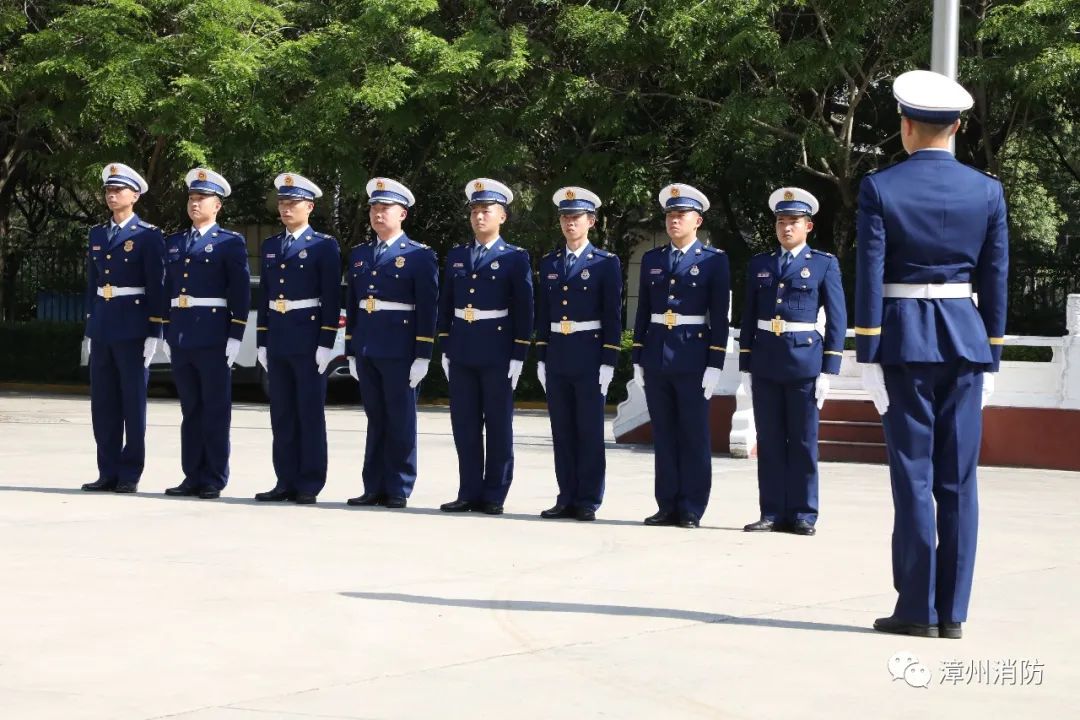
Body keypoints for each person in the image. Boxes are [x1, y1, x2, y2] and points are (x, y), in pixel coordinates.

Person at [857, 70, 1008, 639]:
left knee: (913, 478)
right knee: (959, 483)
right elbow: (996, 277)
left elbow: (869, 274)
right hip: (966, 342)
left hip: (904, 342)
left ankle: (916, 610)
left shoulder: (881, 187)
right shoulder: (987, 190)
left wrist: (867, 353)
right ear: (958, 128)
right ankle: (953, 613)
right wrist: (992, 354)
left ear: (906, 126)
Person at [739, 187, 846, 536]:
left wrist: (829, 370)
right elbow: (749, 316)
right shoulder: (761, 264)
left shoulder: (823, 264)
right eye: (781, 222)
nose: (786, 228)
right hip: (766, 362)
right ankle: (771, 512)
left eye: (794, 222)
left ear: (808, 226)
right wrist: (745, 365)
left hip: (804, 363)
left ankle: (803, 513)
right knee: (769, 441)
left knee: (802, 442)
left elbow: (837, 318)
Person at [631, 183, 729, 528]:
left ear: (697, 221)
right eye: (670, 215)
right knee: (664, 434)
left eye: (681, 215)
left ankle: (691, 506)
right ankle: (667, 503)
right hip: (657, 354)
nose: (674, 220)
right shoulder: (653, 259)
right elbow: (644, 311)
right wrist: (637, 356)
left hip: (693, 356)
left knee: (693, 435)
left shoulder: (714, 260)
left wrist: (715, 362)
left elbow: (720, 316)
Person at [437, 178, 533, 515]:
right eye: (475, 211)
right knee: (464, 425)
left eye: (486, 211)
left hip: (497, 350)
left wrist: (519, 353)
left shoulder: (515, 258)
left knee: (498, 425)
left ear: (502, 216)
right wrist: (445, 345)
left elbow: (524, 308)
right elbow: (446, 303)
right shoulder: (458, 255)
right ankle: (468, 491)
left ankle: (494, 493)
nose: (479, 216)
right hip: (462, 348)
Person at [344, 178, 438, 509]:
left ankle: (399, 486)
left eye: (385, 208)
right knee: (376, 419)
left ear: (403, 214)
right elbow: (353, 304)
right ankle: (373, 486)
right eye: (374, 207)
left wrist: (423, 354)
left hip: (400, 351)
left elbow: (427, 308)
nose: (378, 213)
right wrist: (351, 349)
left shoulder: (418, 255)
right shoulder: (361, 254)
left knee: (401, 420)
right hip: (367, 347)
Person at [161, 168, 250, 500]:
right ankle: (192, 474)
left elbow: (240, 290)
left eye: (202, 198)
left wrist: (236, 334)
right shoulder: (175, 242)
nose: (195, 203)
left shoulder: (229, 242)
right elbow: (167, 289)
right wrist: (166, 330)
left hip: (213, 335)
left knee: (215, 409)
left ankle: (213, 476)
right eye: (191, 198)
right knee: (191, 410)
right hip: (182, 334)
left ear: (217, 205)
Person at [534, 186, 622, 522]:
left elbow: (612, 315)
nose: (569, 223)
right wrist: (541, 357)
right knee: (562, 432)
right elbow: (544, 314)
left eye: (576, 217)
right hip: (558, 354)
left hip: (589, 356)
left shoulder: (605, 263)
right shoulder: (550, 262)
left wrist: (609, 360)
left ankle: (588, 499)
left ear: (591, 221)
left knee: (588, 432)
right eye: (565, 217)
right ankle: (566, 496)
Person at [254, 173, 342, 505]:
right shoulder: (271, 246)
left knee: (309, 413)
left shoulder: (323, 245)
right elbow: (266, 295)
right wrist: (262, 340)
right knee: (282, 414)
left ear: (310, 207)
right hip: (278, 337)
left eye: (293, 203)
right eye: (282, 202)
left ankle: (309, 482)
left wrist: (326, 342)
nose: (286, 208)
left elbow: (330, 297)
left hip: (308, 338)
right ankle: (285, 480)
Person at [81, 163, 165, 494]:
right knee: (103, 405)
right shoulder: (97, 234)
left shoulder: (148, 235)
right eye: (108, 190)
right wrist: (90, 326)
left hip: (133, 327)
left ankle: (130, 473)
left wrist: (155, 331)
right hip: (103, 325)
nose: (111, 195)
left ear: (136, 196)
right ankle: (107, 471)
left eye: (118, 190)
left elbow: (156, 285)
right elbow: (93, 284)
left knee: (133, 404)